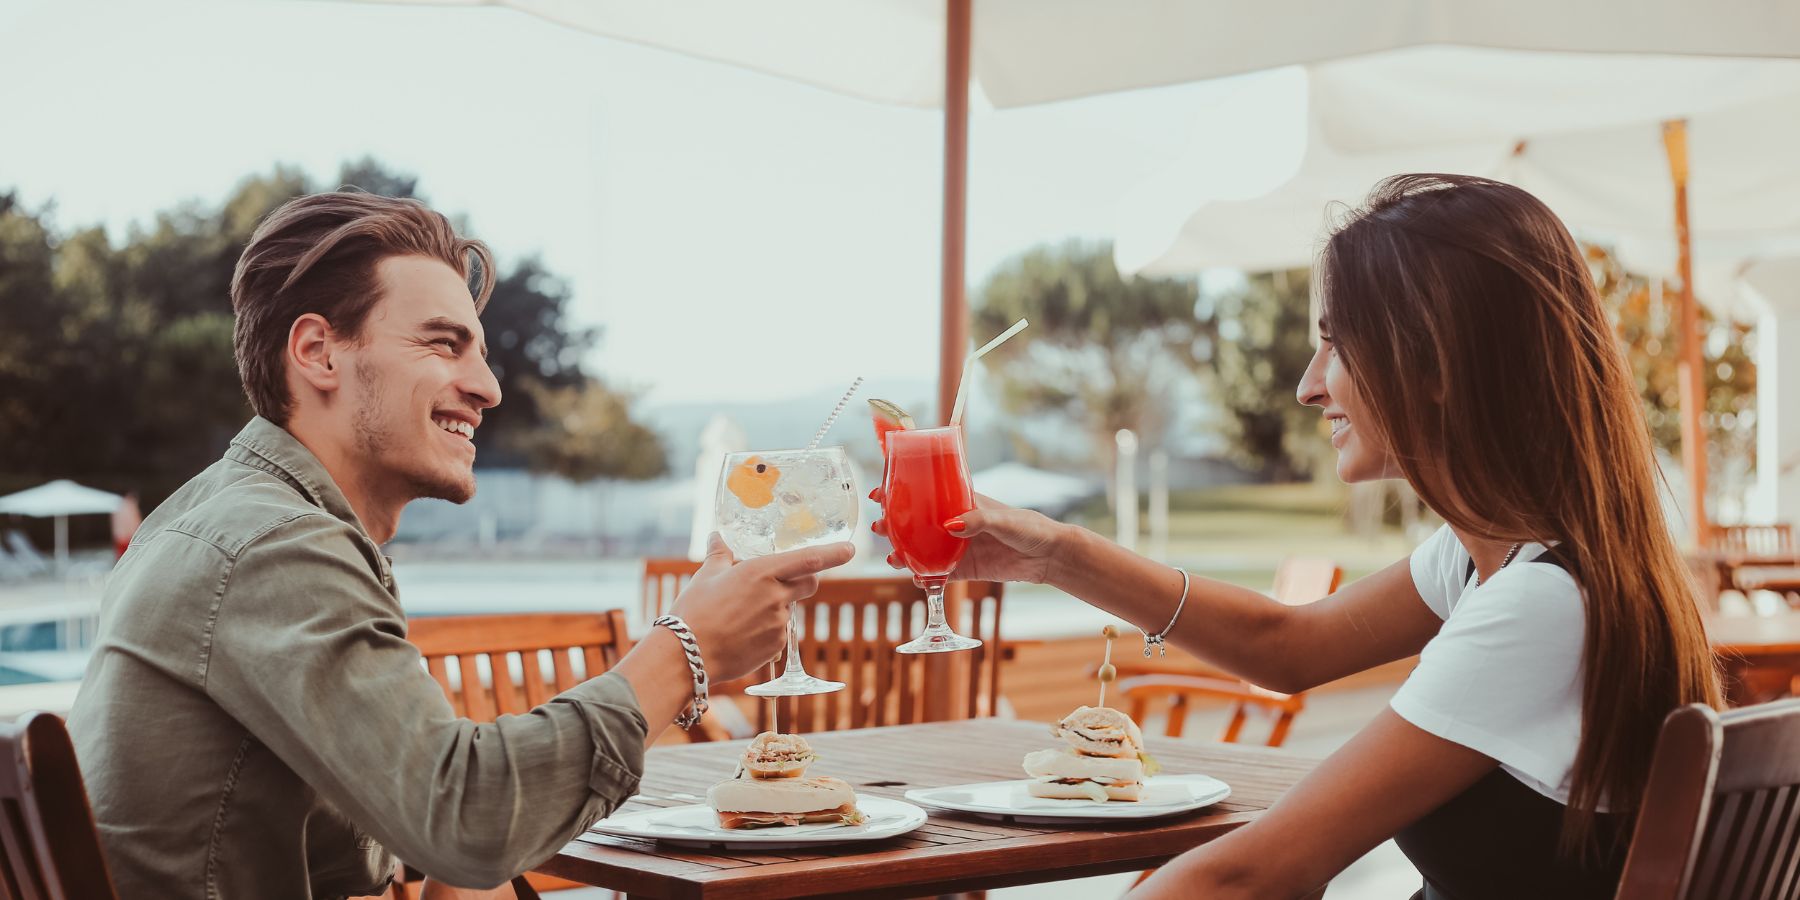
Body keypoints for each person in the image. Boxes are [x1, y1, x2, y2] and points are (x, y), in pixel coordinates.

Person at [877, 175, 1720, 899]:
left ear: (1432, 365)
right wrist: (1060, 555)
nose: (1308, 387)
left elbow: (1255, 877)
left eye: (1334, 344)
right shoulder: (1503, 557)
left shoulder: (1540, 605)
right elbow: (1288, 646)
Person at [68, 190, 854, 899]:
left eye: (478, 351)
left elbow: (440, 824)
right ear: (318, 353)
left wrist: (465, 848)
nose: (488, 387)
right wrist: (686, 649)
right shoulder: (271, 546)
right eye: (444, 344)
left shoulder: (231, 517)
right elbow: (469, 817)